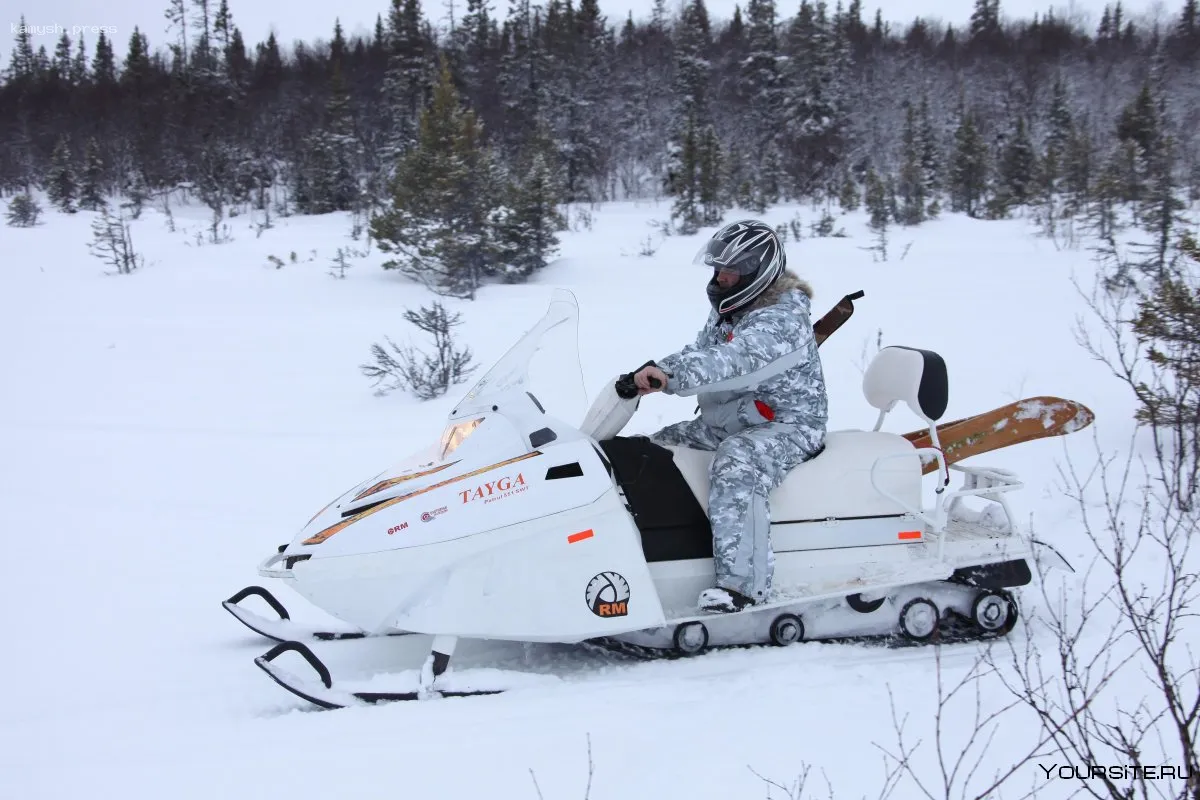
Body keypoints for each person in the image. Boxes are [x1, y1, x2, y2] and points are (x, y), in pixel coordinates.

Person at [632, 219, 828, 614]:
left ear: (759, 271)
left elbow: (736, 361)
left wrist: (672, 377)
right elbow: (700, 351)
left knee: (737, 462)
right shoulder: (730, 309)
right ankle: (660, 551)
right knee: (657, 447)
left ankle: (741, 588)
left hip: (787, 427)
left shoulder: (783, 319)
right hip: (730, 420)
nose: (721, 278)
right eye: (718, 269)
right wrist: (657, 368)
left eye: (731, 270)